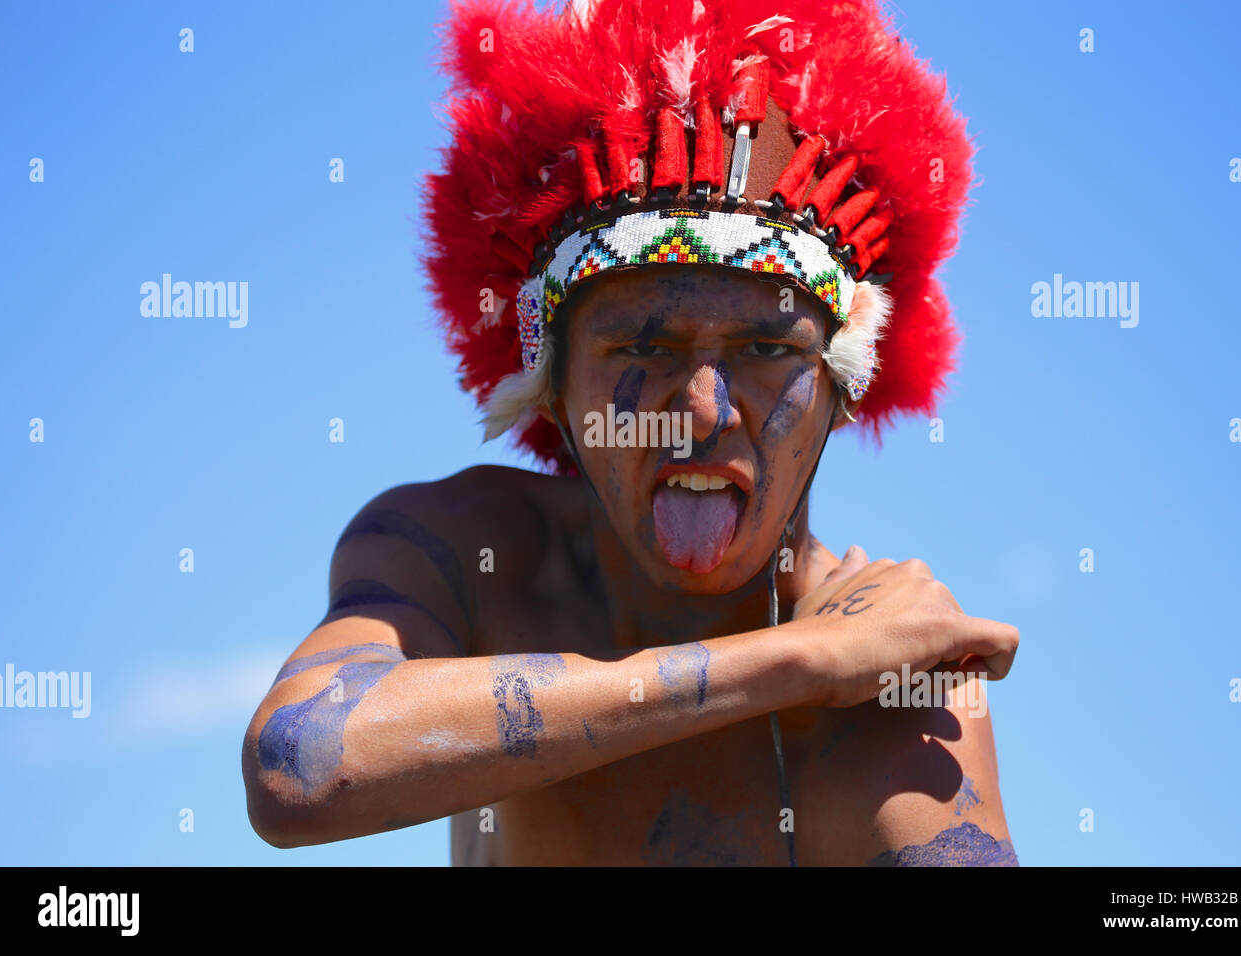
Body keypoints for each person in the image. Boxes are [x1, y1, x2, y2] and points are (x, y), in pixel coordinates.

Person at [242, 0, 1021, 866]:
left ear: (845, 382)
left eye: (767, 348)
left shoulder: (892, 683)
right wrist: (796, 662)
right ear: (553, 391)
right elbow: (298, 769)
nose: (701, 410)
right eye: (643, 347)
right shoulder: (471, 553)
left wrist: (826, 664)